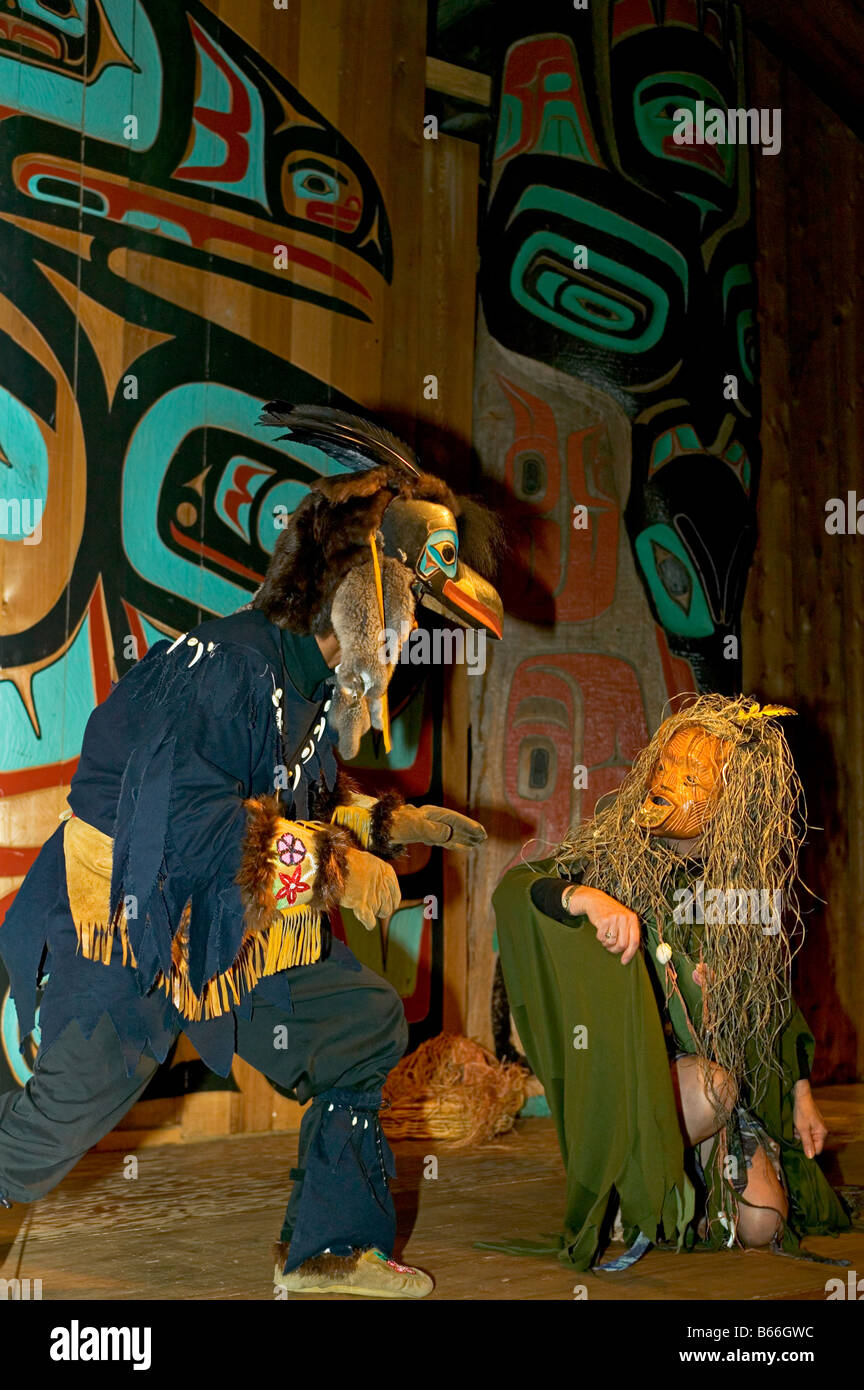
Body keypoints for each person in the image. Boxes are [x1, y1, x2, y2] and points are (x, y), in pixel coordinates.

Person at [0, 405, 503, 1299]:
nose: (410, 634)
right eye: (410, 605)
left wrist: (392, 824)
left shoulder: (305, 687)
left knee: (360, 1023)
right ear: (359, 581)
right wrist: (344, 871)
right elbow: (188, 821)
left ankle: (326, 1251)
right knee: (50, 1132)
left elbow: (289, 797)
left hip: (226, 931)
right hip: (133, 919)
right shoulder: (232, 663)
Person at [491, 695, 850, 1272]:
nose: (666, 782)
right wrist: (587, 898)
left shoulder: (741, 882)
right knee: (714, 1088)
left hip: (729, 1080)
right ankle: (635, 1182)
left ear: (733, 803)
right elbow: (521, 889)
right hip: (654, 1079)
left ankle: (701, 1179)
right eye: (664, 766)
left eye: (692, 777)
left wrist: (802, 1095)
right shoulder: (618, 857)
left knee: (763, 1227)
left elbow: (774, 1000)